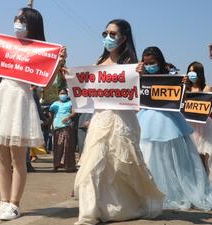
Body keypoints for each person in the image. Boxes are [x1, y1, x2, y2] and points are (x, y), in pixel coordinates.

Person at [0, 7, 66, 221]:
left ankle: (15, 204)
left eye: (22, 19)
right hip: (3, 97)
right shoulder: (7, 45)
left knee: (18, 159)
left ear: (32, 24)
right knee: (3, 158)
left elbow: (44, 79)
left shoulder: (40, 50)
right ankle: (4, 201)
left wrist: (59, 62)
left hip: (20, 100)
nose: (17, 22)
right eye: (16, 18)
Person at [74, 20, 164, 225]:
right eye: (105, 33)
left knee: (121, 165)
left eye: (112, 34)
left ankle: (122, 207)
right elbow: (86, 88)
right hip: (100, 119)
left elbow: (140, 93)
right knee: (93, 162)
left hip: (123, 120)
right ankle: (88, 213)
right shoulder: (98, 62)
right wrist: (69, 75)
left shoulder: (133, 65)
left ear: (123, 38)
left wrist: (139, 75)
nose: (107, 37)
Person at [136, 46, 212, 211]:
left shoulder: (171, 77)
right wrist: (137, 72)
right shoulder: (140, 76)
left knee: (169, 158)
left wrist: (184, 86)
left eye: (153, 63)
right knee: (146, 154)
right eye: (146, 63)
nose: (149, 66)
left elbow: (182, 99)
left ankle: (171, 191)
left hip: (168, 120)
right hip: (145, 118)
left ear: (160, 62)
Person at [185, 61, 212, 200]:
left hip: (203, 127)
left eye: (194, 71)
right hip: (187, 126)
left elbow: (206, 105)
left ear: (200, 73)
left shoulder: (207, 87)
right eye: (189, 71)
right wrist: (184, 86)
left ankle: (205, 189)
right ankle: (193, 187)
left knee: (203, 157)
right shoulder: (185, 88)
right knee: (190, 158)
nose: (192, 74)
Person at [49, 88, 76, 172]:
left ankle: (68, 166)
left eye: (64, 93)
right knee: (57, 146)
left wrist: (69, 117)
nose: (63, 95)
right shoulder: (55, 104)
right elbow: (50, 113)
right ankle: (56, 165)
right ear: (58, 94)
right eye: (61, 93)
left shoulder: (71, 103)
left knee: (67, 146)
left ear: (67, 94)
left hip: (67, 126)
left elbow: (74, 112)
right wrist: (50, 124)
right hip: (57, 126)